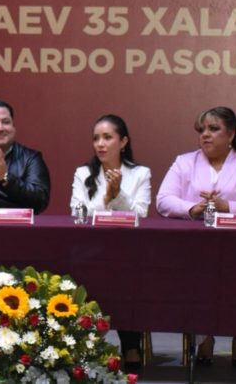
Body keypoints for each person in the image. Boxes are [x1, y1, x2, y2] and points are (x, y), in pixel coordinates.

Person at [156, 106, 236, 367]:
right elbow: (163, 200)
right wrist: (192, 208)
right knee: (199, 277)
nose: (205, 135)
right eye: (202, 130)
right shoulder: (184, 162)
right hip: (195, 250)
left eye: (213, 129)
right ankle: (203, 336)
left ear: (231, 134)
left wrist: (228, 206)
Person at [70, 114, 150, 371]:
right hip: (90, 247)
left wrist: (119, 195)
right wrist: (107, 199)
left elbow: (141, 214)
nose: (100, 144)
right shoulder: (83, 173)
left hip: (127, 249)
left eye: (107, 137)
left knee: (128, 275)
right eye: (96, 138)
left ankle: (131, 346)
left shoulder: (140, 173)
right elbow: (77, 212)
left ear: (123, 142)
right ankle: (86, 344)